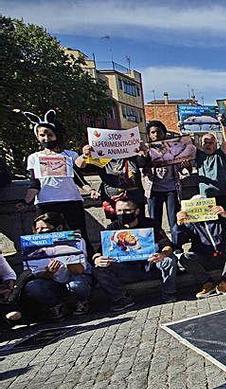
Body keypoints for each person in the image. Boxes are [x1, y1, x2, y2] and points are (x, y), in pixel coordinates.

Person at [92, 197, 178, 312]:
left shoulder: (149, 224)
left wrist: (163, 254)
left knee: (169, 259)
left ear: (137, 211)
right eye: (119, 211)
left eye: (127, 210)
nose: (123, 214)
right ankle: (122, 299)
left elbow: (166, 244)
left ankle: (169, 293)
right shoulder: (112, 228)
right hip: (125, 269)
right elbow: (98, 252)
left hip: (150, 266)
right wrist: (97, 259)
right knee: (98, 269)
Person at [18, 110, 92, 241]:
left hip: (71, 201)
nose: (46, 139)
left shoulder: (69, 155)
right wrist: (26, 201)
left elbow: (78, 177)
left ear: (56, 134)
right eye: (42, 135)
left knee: (79, 236)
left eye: (49, 135)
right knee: (47, 238)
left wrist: (90, 190)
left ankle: (86, 260)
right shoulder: (34, 157)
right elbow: (35, 183)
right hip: (46, 202)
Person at [21, 213, 93, 320]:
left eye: (44, 228)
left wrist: (68, 259)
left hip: (74, 278)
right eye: (37, 229)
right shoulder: (32, 248)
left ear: (58, 228)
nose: (40, 231)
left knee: (76, 285)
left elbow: (79, 270)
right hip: (52, 282)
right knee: (32, 286)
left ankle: (81, 302)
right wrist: (49, 272)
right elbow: (33, 273)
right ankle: (56, 306)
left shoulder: (77, 241)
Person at [174, 198, 226, 298]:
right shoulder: (190, 223)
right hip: (204, 258)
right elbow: (177, 241)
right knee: (184, 257)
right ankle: (208, 284)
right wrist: (179, 225)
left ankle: (224, 282)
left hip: (224, 255)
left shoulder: (219, 218)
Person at [77, 143, 149, 217]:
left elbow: (144, 162)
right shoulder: (100, 156)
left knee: (139, 224)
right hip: (112, 201)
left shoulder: (132, 153)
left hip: (135, 200)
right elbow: (80, 167)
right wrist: (84, 155)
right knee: (116, 226)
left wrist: (144, 151)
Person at [142, 120, 182, 238]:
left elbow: (183, 168)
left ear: (164, 133)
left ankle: (176, 245)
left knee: (175, 221)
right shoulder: (146, 149)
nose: (156, 135)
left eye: (158, 132)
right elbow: (140, 164)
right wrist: (144, 155)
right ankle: (158, 245)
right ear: (149, 135)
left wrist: (185, 165)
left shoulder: (173, 148)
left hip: (171, 189)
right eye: (153, 132)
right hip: (153, 190)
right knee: (154, 221)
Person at [195, 132, 226, 214]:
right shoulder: (198, 155)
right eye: (205, 142)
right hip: (206, 196)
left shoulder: (220, 154)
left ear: (216, 144)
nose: (207, 145)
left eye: (211, 143)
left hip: (223, 194)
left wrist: (224, 125)